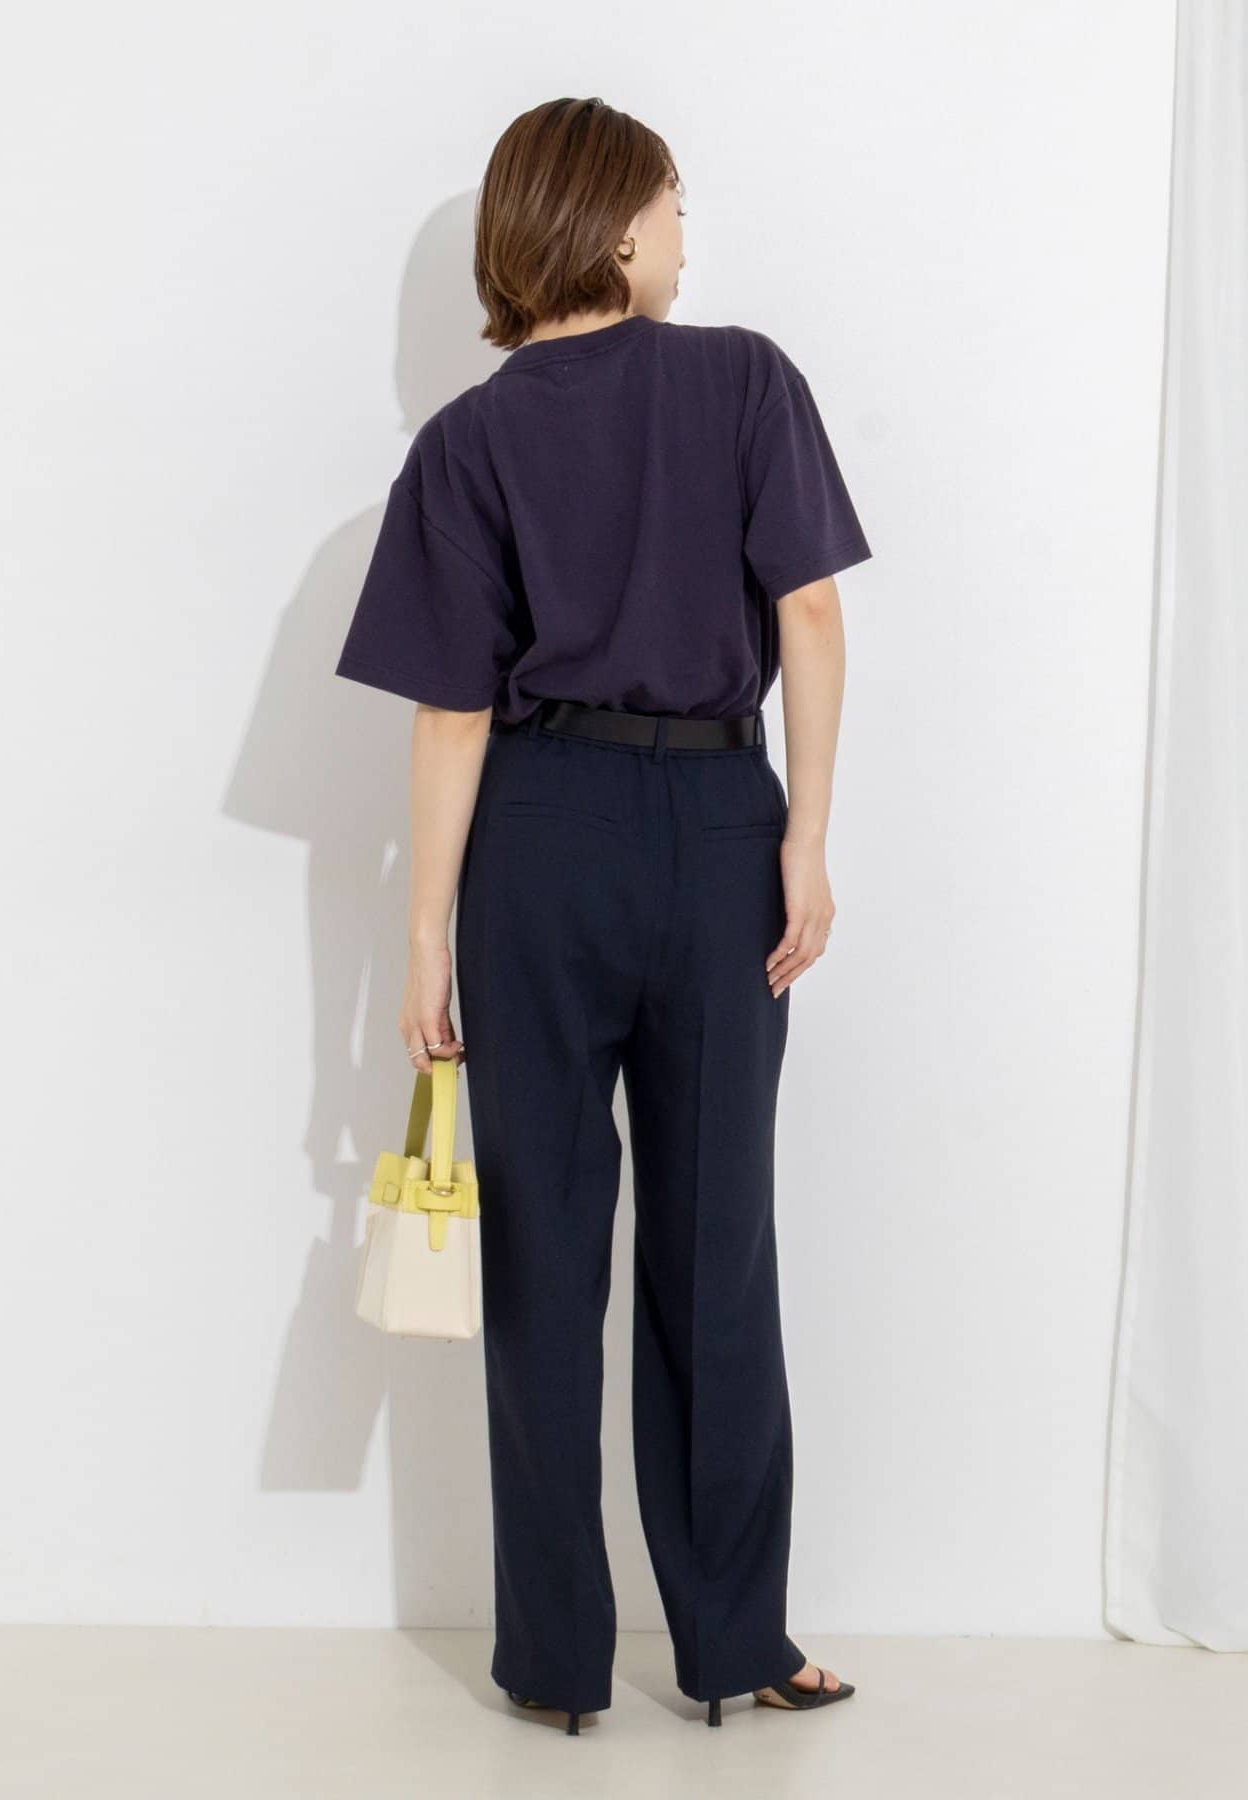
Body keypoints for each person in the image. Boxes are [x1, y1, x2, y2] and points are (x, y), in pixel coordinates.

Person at [334, 96, 871, 1735]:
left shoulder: (467, 442)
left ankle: (558, 1667)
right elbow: (810, 614)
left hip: (536, 844)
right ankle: (738, 1642)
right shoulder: (744, 382)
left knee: (544, 1255)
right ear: (621, 226)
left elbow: (453, 713)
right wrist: (806, 840)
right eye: (676, 207)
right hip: (717, 827)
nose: (687, 238)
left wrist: (427, 937)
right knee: (720, 1250)